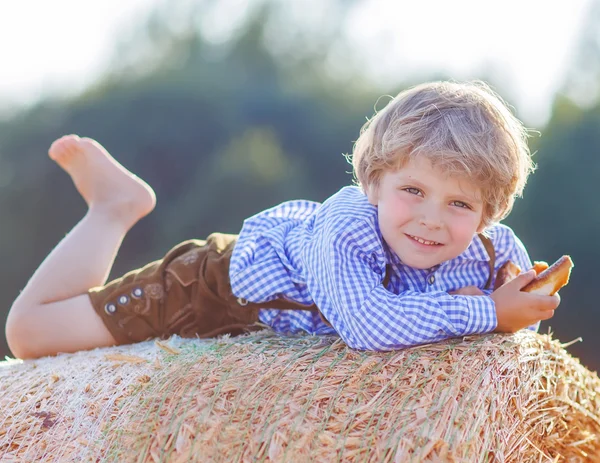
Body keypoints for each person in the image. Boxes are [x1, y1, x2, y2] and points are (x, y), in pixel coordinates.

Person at [5, 80, 560, 360]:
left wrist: (520, 304)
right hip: (216, 290)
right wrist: (484, 307)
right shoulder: (347, 224)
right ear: (372, 183)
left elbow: (511, 336)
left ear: (489, 213)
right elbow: (370, 326)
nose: (432, 219)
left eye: (459, 204)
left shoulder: (491, 248)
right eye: (412, 190)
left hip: (269, 330)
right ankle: (113, 208)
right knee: (30, 334)